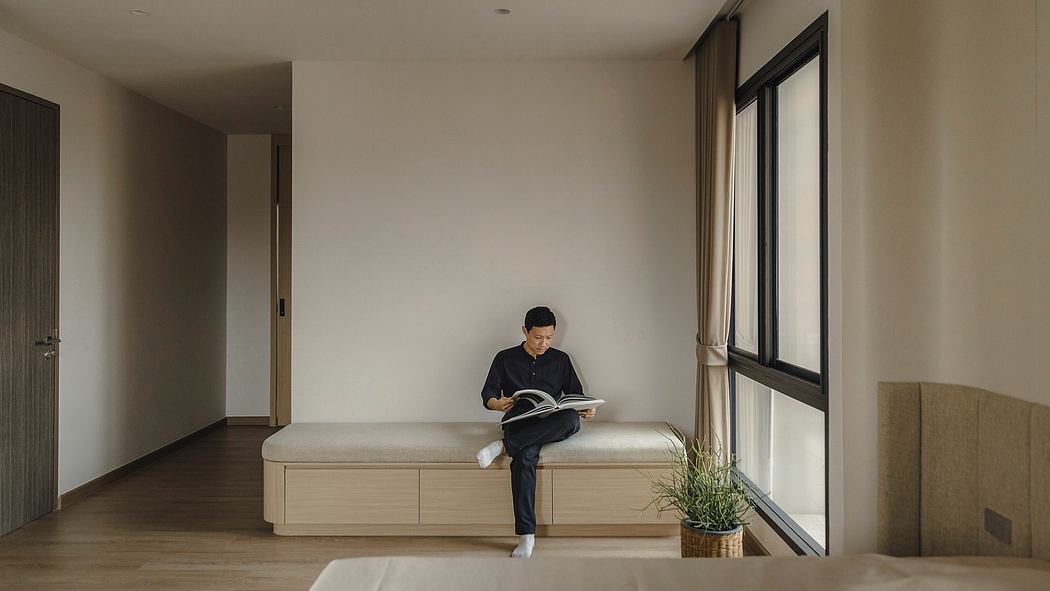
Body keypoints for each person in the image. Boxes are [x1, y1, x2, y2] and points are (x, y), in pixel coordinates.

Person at [476, 306, 597, 558]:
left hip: (552, 419)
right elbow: (488, 393)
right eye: (538, 337)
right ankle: (527, 537)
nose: (544, 343)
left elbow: (575, 394)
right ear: (525, 331)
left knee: (571, 419)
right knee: (525, 458)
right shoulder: (505, 358)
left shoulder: (561, 359)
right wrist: (497, 404)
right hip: (519, 419)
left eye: (550, 337)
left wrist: (586, 408)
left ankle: (504, 446)